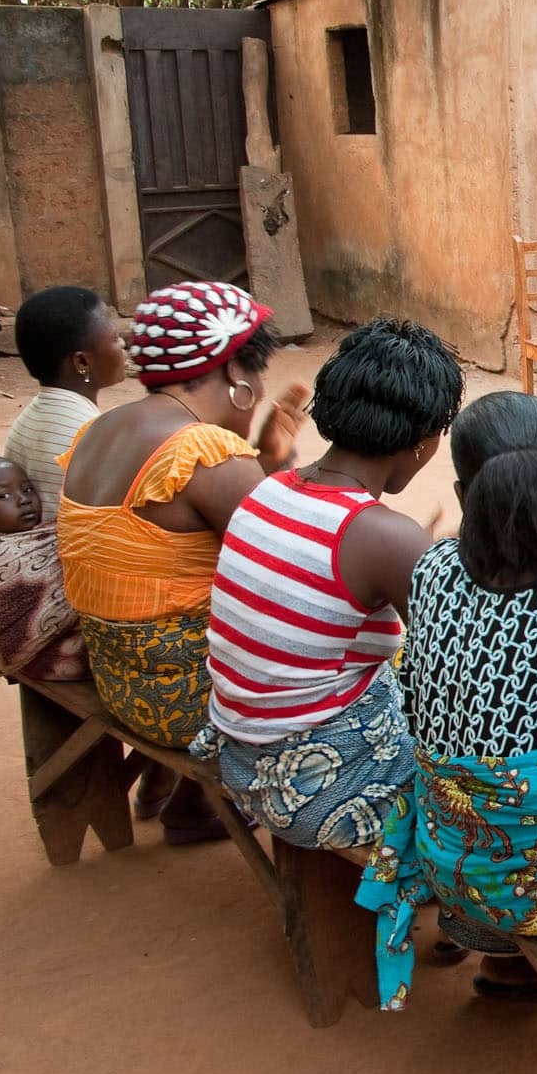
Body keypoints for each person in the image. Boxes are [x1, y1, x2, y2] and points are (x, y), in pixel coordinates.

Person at [355, 391, 537, 1009]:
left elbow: (423, 702)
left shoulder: (433, 568)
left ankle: (504, 965)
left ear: (463, 491)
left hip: (448, 863)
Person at [193, 318, 461, 851]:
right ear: (425, 442)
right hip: (318, 787)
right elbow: (454, 669)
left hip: (238, 753)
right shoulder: (382, 536)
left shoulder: (266, 491)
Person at [57, 281, 307, 843]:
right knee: (371, 650)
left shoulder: (99, 429)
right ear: (236, 374)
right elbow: (297, 563)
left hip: (119, 679)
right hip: (189, 705)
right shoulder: (203, 452)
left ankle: (178, 798)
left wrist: (265, 460)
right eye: (255, 374)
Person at [5, 285, 130, 520]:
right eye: (115, 337)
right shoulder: (90, 433)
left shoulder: (30, 417)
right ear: (82, 361)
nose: (123, 344)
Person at [0, 457, 84, 680]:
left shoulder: (41, 538)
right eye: (3, 496)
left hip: (31, 660)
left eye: (28, 489)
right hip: (41, 660)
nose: (23, 500)